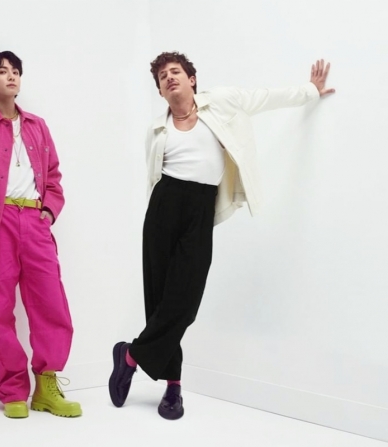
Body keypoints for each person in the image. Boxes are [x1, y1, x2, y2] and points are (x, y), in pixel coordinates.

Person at [109, 52, 334, 420]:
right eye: (163, 77)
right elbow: (153, 177)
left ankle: (130, 355)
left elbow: (264, 98)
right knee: (162, 302)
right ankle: (173, 388)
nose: (169, 78)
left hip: (200, 209)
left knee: (184, 304)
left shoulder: (222, 102)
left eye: (175, 71)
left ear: (192, 79)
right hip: (164, 208)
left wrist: (310, 90)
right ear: (161, 91)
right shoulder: (156, 129)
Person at [0, 50, 81, 419]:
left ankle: (46, 387)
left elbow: (53, 177)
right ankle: (12, 389)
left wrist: (48, 212)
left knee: (51, 304)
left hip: (35, 222)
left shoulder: (37, 126)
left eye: (15, 71)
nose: (11, 77)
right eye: (2, 72)